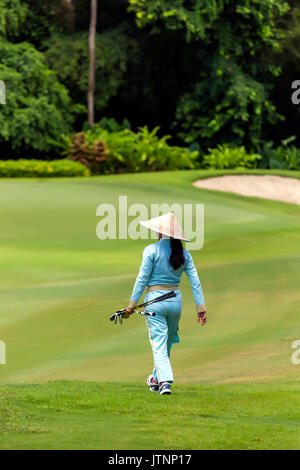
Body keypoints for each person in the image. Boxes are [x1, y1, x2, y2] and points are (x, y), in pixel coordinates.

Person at [125, 212, 207, 395]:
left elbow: (142, 279)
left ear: (160, 233)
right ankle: (155, 378)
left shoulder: (151, 250)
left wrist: (131, 305)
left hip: (154, 302)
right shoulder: (184, 254)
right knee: (166, 343)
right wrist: (200, 308)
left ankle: (165, 382)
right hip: (175, 303)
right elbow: (195, 281)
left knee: (159, 344)